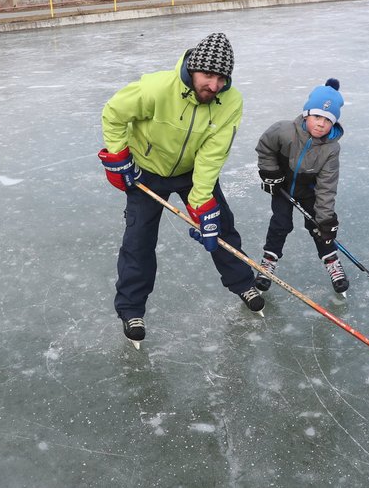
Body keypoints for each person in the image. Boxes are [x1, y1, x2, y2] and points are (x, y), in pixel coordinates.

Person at [98, 32, 265, 346]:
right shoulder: (157, 88)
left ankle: (243, 283)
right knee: (139, 241)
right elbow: (114, 113)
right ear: (193, 69)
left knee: (220, 227)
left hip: (192, 173)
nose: (214, 86)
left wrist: (201, 202)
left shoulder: (231, 102)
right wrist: (119, 156)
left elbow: (213, 153)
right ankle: (132, 309)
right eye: (208, 76)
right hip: (146, 172)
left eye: (221, 79)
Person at [254, 78, 348, 295]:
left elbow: (326, 186)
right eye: (316, 116)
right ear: (306, 113)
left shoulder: (331, 149)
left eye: (327, 120)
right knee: (280, 224)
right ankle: (268, 263)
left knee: (318, 227)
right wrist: (270, 173)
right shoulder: (284, 130)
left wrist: (326, 219)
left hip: (310, 190)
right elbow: (264, 147)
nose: (321, 124)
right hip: (282, 185)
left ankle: (332, 262)